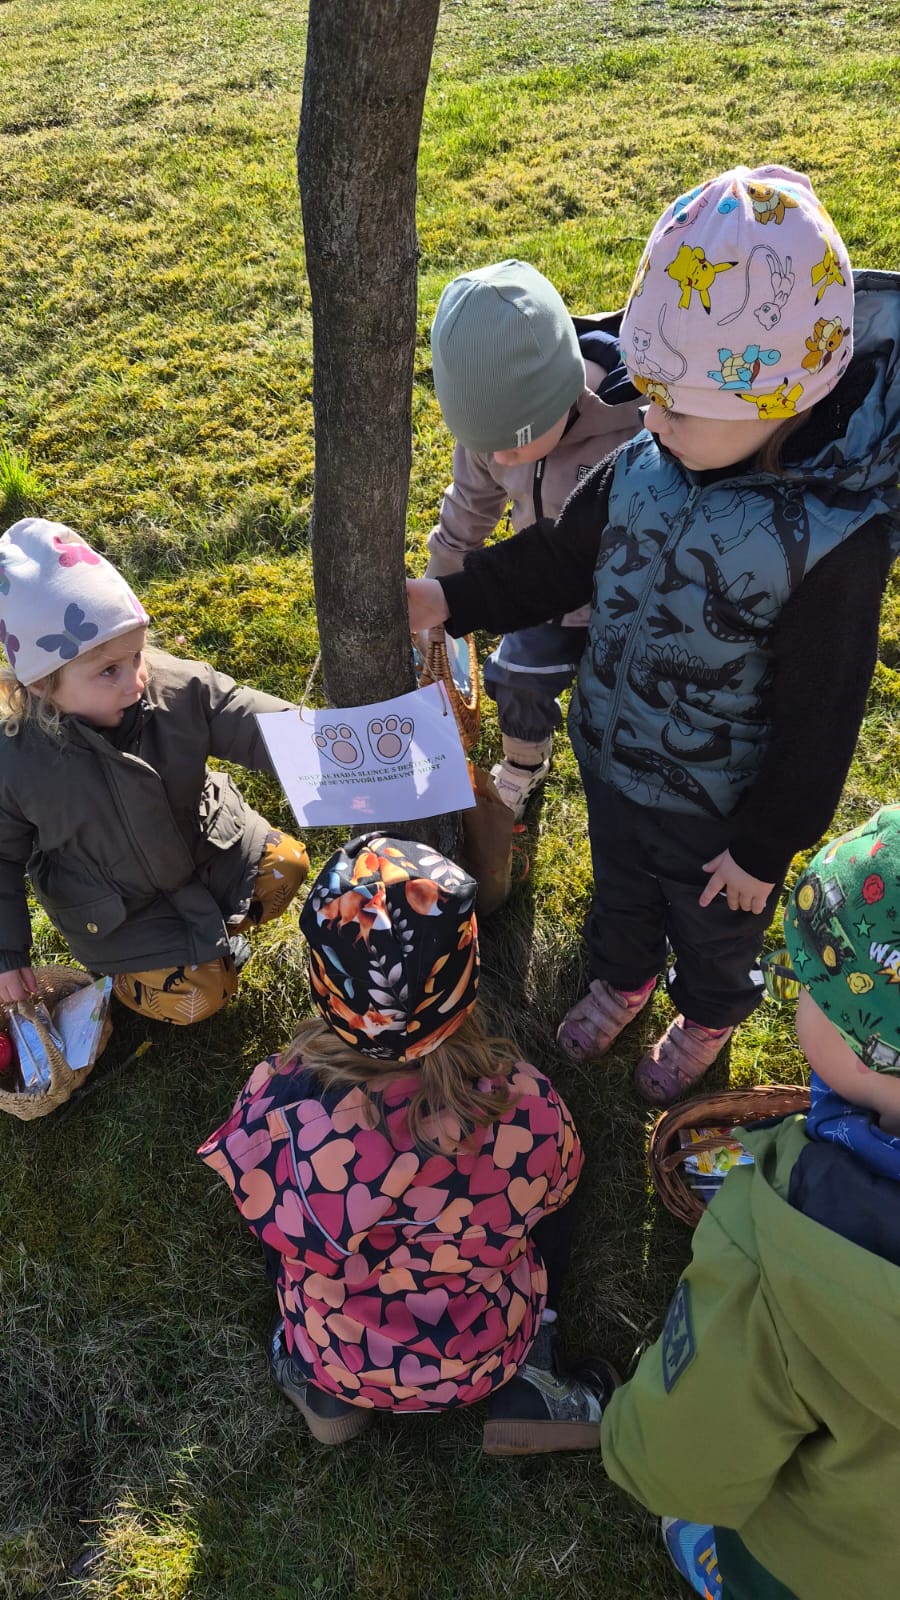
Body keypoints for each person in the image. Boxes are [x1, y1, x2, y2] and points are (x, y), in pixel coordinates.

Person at [407, 165, 900, 1103]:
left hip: (722, 815)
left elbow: (822, 720)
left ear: (773, 397)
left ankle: (708, 1013)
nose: (650, 416)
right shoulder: (646, 460)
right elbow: (557, 561)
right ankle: (622, 976)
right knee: (621, 890)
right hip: (615, 757)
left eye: (674, 401)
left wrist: (766, 848)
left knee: (713, 930)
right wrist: (448, 598)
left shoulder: (837, 545)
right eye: (649, 390)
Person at [198, 833, 617, 1451]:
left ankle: (318, 1390)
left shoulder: (281, 1106)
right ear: (467, 973)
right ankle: (537, 1370)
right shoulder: (527, 1109)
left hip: (338, 1357)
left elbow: (267, 1222)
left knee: (282, 1225)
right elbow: (558, 1189)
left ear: (325, 985)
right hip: (482, 1351)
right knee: (557, 1199)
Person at [600, 803, 900, 1600]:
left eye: (813, 989)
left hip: (816, 1569)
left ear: (868, 1046)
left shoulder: (782, 1250)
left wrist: (627, 1435)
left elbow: (671, 1457)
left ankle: (718, 1566)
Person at [0, 517, 310, 1024]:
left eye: (138, 654)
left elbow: (245, 718)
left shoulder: (174, 688)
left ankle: (212, 936)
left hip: (206, 849)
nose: (136, 680)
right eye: (109, 670)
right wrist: (6, 951)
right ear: (41, 684)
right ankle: (137, 975)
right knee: (198, 997)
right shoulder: (17, 761)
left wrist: (325, 744)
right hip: (124, 913)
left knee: (288, 866)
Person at [425, 259, 643, 819]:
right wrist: (439, 587)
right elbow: (469, 506)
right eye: (485, 446)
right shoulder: (493, 432)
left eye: (513, 446)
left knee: (624, 700)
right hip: (537, 589)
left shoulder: (635, 421)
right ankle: (525, 761)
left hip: (630, 599)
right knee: (516, 677)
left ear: (562, 396)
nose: (499, 459)